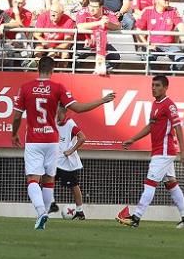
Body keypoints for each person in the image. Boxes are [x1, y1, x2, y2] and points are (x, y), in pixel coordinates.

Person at [11, 55, 114, 230]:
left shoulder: (26, 88)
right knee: (49, 180)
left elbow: (17, 116)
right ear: (52, 71)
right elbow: (78, 108)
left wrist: (14, 134)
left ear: (38, 69)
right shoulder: (58, 87)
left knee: (33, 179)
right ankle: (43, 218)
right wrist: (102, 100)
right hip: (52, 141)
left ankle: (41, 212)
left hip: (34, 140)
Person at [117, 75, 184, 229]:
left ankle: (136, 218)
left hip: (164, 152)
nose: (154, 88)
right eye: (152, 85)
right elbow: (151, 126)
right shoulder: (155, 104)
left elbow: (178, 126)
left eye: (157, 85)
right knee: (171, 184)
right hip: (159, 151)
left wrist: (183, 151)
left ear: (165, 88)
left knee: (150, 183)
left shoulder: (169, 105)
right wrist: (133, 139)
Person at [137, 0, 184, 72]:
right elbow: (138, 30)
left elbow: (181, 26)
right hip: (153, 45)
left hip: (170, 46)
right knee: (148, 59)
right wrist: (147, 45)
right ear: (157, 0)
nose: (167, 0)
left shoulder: (173, 10)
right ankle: (156, 80)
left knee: (181, 62)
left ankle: (171, 77)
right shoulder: (148, 11)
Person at [54, 106, 87, 220]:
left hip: (66, 163)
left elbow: (82, 138)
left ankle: (79, 211)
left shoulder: (70, 124)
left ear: (62, 110)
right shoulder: (53, 121)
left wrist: (71, 150)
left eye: (56, 108)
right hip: (54, 161)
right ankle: (45, 208)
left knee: (73, 186)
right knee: (46, 182)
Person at [75, 0, 121, 74]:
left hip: (101, 43)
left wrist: (108, 24)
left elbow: (118, 26)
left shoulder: (107, 12)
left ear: (101, 7)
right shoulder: (83, 11)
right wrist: (99, 23)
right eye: (90, 6)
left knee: (115, 57)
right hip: (84, 42)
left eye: (95, 7)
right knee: (74, 57)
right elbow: (80, 26)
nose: (91, 9)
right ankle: (77, 77)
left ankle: (100, 74)